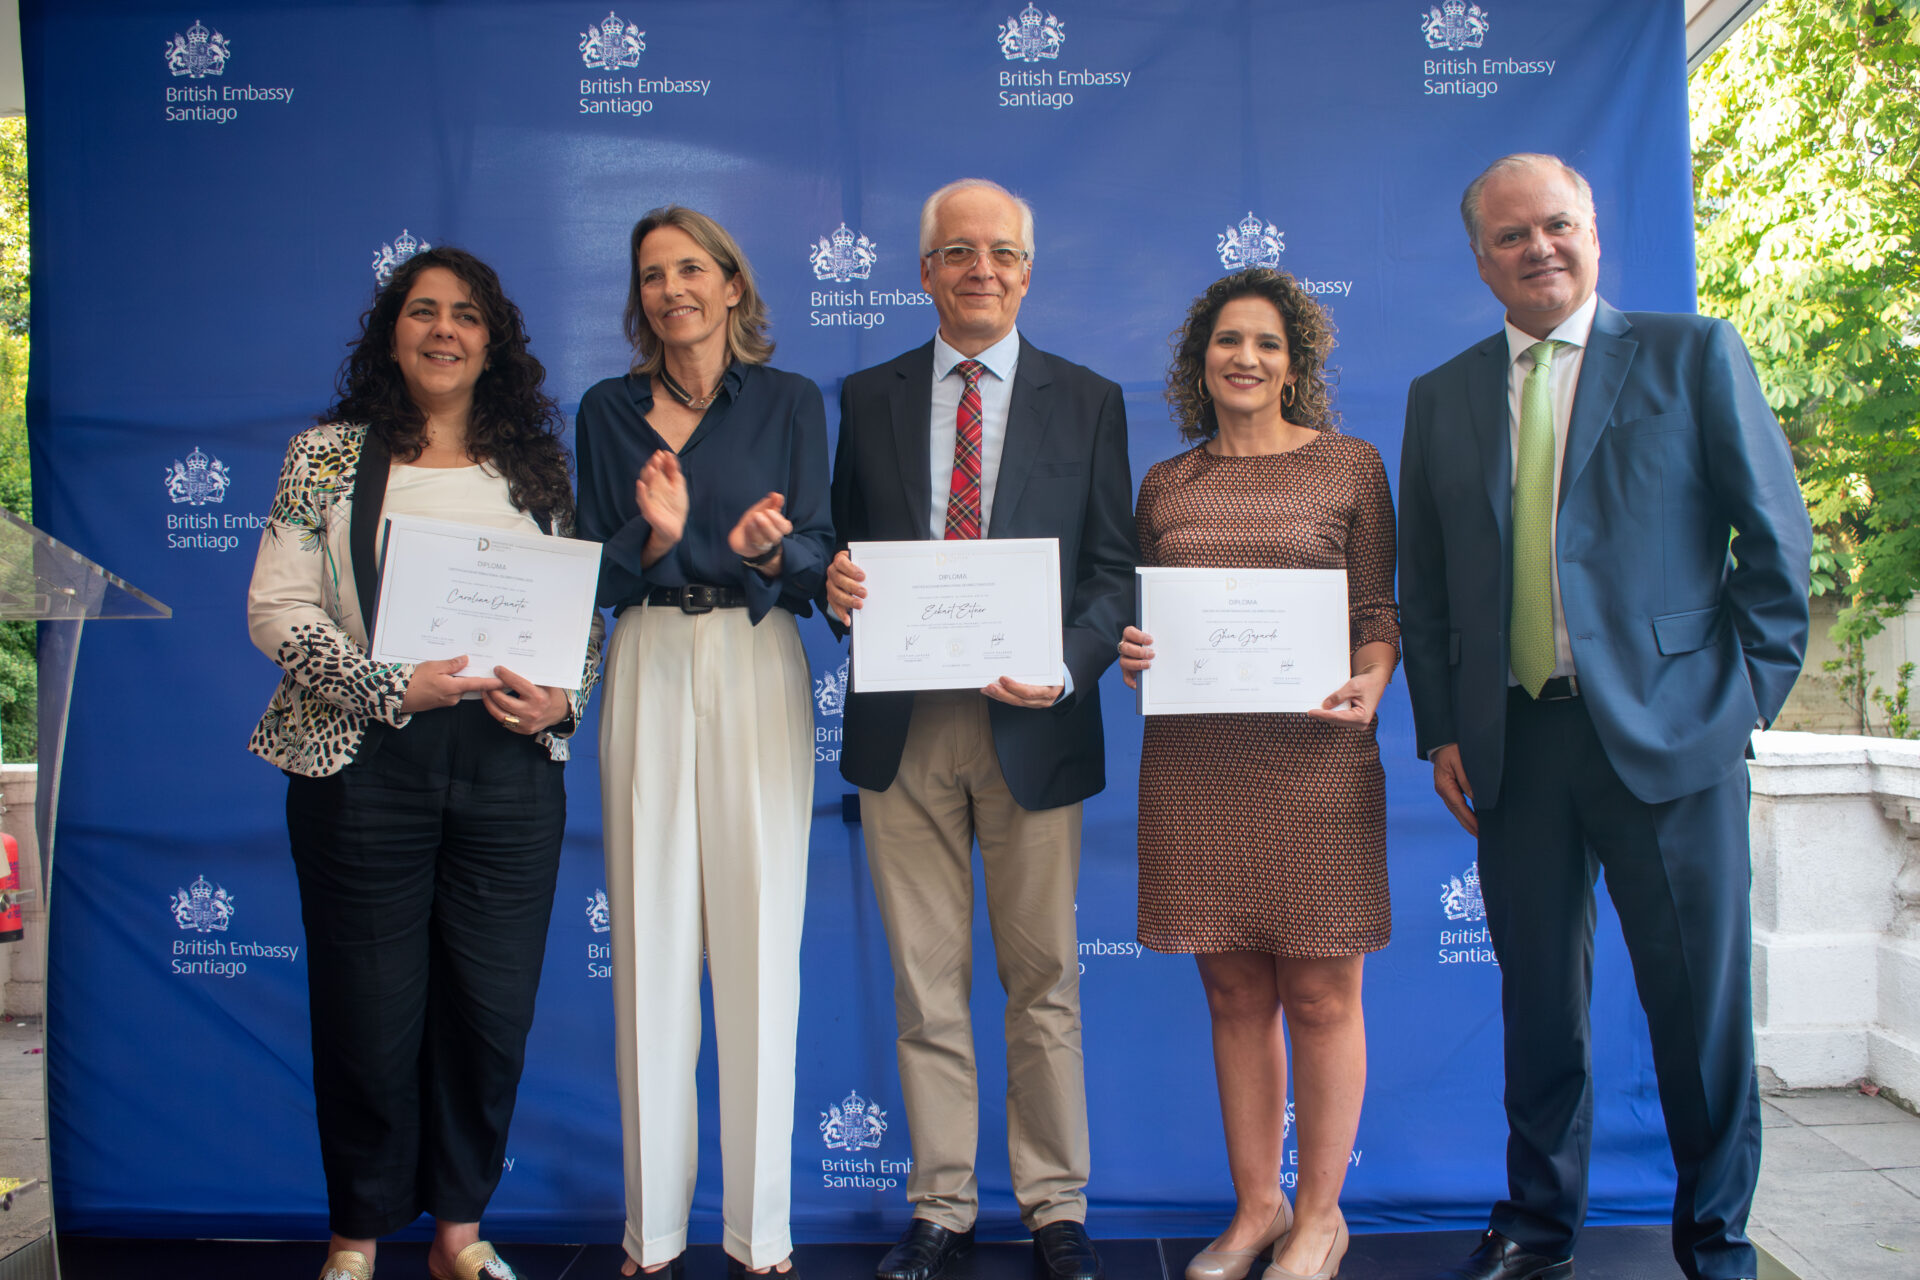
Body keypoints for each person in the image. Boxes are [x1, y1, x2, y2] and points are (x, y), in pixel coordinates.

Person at [1398, 154, 1811, 1280]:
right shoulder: (1442, 394)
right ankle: (1538, 1228)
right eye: (1511, 235)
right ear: (1480, 258)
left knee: (1698, 1011)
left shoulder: (1692, 354)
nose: (1539, 247)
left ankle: (1717, 1241)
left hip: (1676, 741)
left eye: (1558, 224)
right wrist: (1442, 728)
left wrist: (1736, 709)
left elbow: (1778, 553)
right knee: (1539, 1007)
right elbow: (1426, 585)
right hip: (1515, 743)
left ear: (1593, 230)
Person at [247, 246, 602, 1280]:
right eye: (423, 311)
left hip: (508, 767)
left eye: (466, 315)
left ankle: (459, 1233)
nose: (444, 329)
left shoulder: (537, 467)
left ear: (493, 343)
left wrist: (565, 696)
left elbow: (580, 613)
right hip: (366, 762)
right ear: (391, 333)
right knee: (367, 1013)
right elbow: (277, 607)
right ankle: (355, 1238)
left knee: (489, 1015)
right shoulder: (326, 457)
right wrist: (387, 684)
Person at [824, 178, 1136, 1280]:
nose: (981, 270)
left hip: (1033, 726)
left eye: (1002, 252)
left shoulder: (1088, 399)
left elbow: (1111, 571)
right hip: (904, 727)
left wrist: (1068, 664)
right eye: (958, 252)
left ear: (1028, 272)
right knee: (926, 982)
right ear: (925, 272)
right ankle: (942, 1204)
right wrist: (835, 584)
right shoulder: (868, 394)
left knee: (1044, 979)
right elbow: (842, 549)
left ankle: (1056, 1205)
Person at [1117, 268, 1397, 1280]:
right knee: (1233, 989)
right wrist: (1134, 652)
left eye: (1267, 342)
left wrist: (1374, 679)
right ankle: (1256, 1206)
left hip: (1318, 760)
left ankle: (1320, 1216)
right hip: (1197, 763)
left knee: (1321, 992)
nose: (1246, 357)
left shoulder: (1350, 467)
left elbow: (1375, 613)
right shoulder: (1166, 486)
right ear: (1201, 362)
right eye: (1228, 340)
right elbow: (1146, 619)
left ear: (1295, 363)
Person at [574, 205, 832, 1280]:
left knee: (760, 943)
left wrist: (769, 551)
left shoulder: (789, 400)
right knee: (649, 945)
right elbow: (589, 571)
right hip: (646, 655)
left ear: (732, 284)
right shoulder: (606, 409)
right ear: (639, 299)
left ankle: (760, 1236)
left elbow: (819, 559)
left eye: (691, 269)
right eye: (652, 275)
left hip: (755, 653)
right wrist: (656, 537)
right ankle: (653, 1237)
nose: (672, 289)